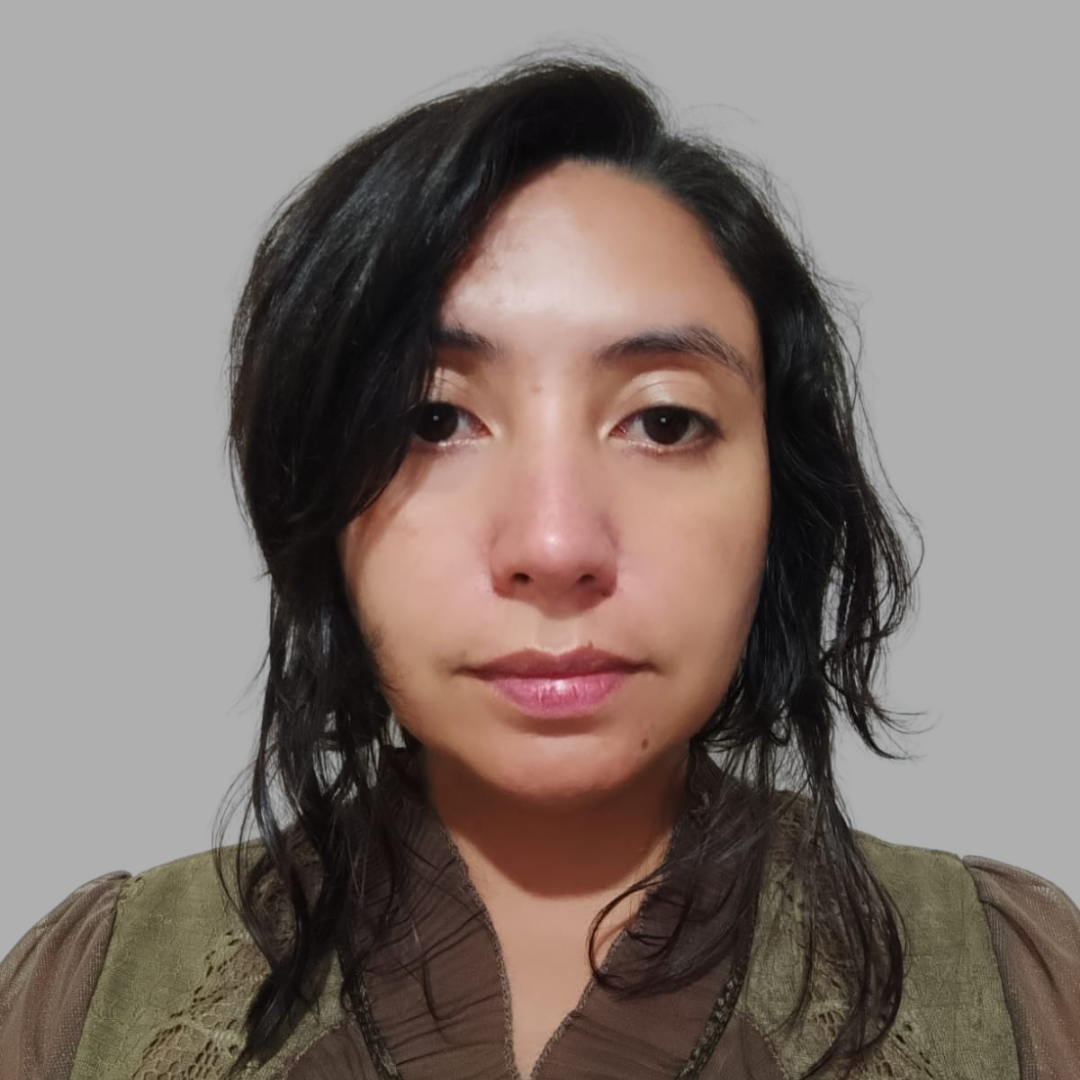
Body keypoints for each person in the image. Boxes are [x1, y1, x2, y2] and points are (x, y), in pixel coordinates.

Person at [2, 49, 1077, 1080]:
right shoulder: (92, 999)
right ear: (315, 496)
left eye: (663, 421)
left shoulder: (1016, 993)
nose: (555, 549)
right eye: (432, 419)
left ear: (778, 495)